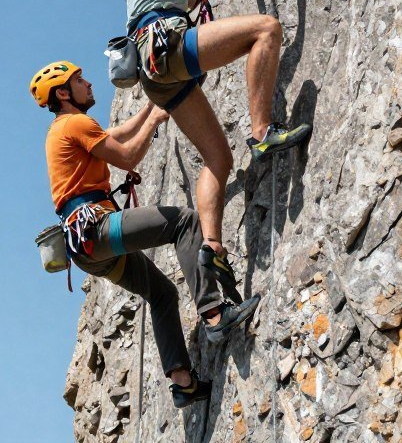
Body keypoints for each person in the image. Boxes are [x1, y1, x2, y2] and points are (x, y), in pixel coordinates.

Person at [122, 0, 314, 300]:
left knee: (218, 159)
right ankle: (263, 132)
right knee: (266, 30)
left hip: (154, 72)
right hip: (166, 44)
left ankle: (211, 244)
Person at [30, 61, 260, 408]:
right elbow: (127, 157)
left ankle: (183, 384)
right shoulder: (75, 123)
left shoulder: (65, 128)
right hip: (97, 229)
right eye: (80, 81)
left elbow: (118, 134)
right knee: (184, 222)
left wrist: (154, 105)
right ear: (63, 93)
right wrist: (154, 120)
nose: (89, 83)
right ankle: (214, 315)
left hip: (87, 251)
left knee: (162, 294)